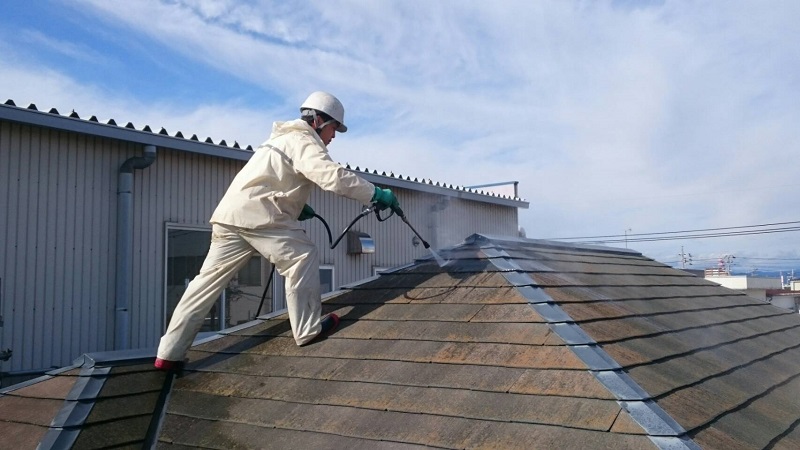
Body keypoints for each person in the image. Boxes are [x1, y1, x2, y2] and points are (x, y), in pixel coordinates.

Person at [155, 91, 399, 370]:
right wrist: (376, 193)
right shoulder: (304, 139)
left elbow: (271, 180)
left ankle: (169, 353)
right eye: (333, 129)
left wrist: (296, 206)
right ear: (318, 121)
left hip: (230, 217)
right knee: (302, 256)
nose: (333, 137)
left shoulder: (277, 141)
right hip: (261, 217)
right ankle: (308, 330)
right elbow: (332, 177)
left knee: (204, 285)